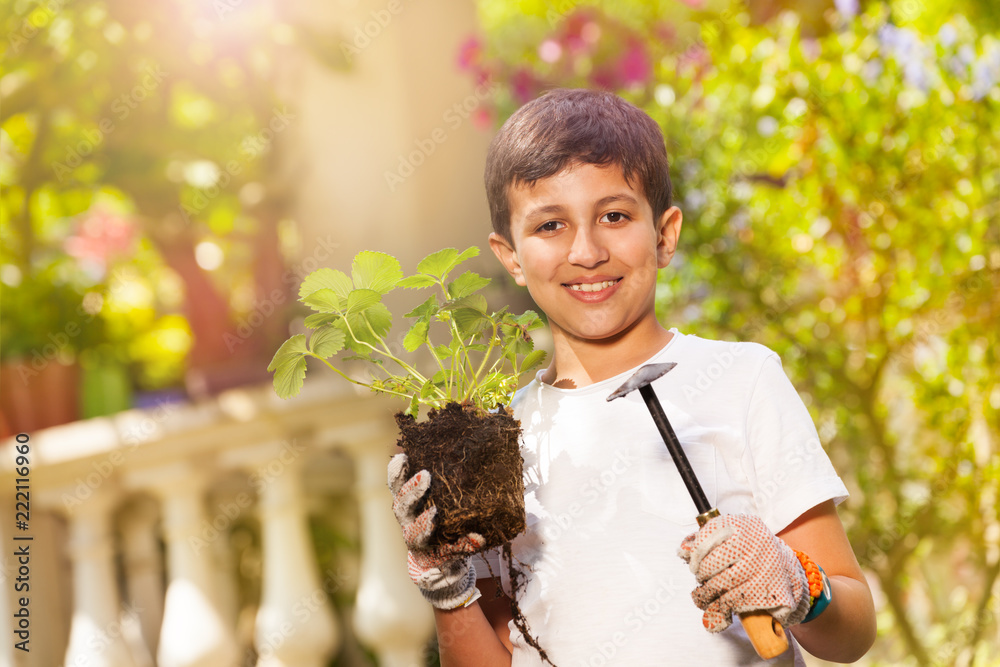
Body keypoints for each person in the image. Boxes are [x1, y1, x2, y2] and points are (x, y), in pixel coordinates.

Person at [388, 88, 876, 666]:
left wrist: (798, 584)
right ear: (511, 256)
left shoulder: (742, 380)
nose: (587, 251)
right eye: (550, 226)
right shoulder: (498, 439)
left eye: (614, 216)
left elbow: (853, 632)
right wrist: (447, 586)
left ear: (664, 234)